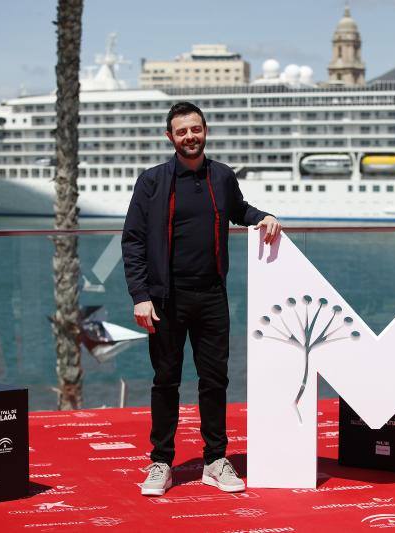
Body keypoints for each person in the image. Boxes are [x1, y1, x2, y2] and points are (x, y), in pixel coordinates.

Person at [122, 101, 281, 496]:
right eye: (181, 131)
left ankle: (215, 460)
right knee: (165, 381)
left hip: (212, 295)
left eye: (195, 129)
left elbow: (238, 210)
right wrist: (141, 296)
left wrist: (264, 217)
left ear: (205, 130)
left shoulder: (222, 176)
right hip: (165, 299)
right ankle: (161, 463)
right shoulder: (153, 181)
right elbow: (133, 241)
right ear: (170, 137)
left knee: (215, 381)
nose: (190, 137)